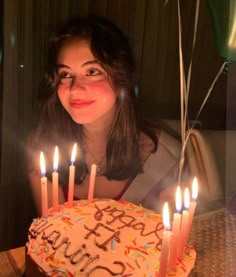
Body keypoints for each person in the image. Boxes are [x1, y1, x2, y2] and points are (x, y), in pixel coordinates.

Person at [27, 15, 189, 215]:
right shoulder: (45, 148)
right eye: (65, 75)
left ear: (122, 77)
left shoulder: (165, 157)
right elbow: (55, 236)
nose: (75, 89)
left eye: (92, 72)